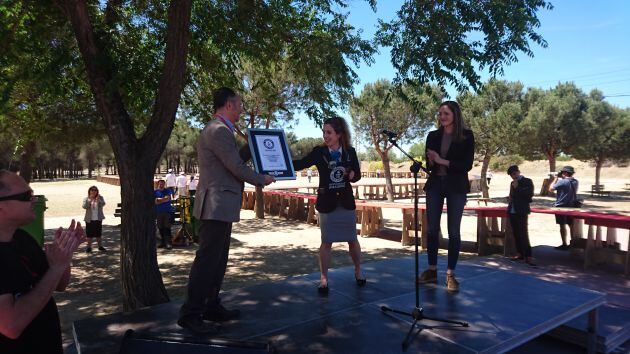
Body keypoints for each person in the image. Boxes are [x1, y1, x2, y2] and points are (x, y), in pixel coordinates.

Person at [178, 87, 275, 334]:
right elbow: (235, 167)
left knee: (218, 261)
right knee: (208, 260)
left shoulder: (220, 130)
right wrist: (260, 179)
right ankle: (190, 314)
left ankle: (211, 306)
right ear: (229, 105)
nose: (241, 108)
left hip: (220, 204)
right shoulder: (219, 130)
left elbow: (232, 161)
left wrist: (252, 147)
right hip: (216, 204)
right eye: (239, 104)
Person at [0, 170, 85, 354]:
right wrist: (56, 267)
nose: (35, 200)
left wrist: (64, 253)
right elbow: (11, 326)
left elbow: (59, 284)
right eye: (26, 196)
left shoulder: (23, 238)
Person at [293, 116, 364, 295]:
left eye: (329, 132)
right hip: (327, 204)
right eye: (324, 132)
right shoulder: (319, 152)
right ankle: (323, 278)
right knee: (326, 242)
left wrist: (353, 174)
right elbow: (300, 164)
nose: (325, 136)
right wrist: (280, 160)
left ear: (339, 134)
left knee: (352, 240)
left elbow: (357, 175)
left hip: (346, 202)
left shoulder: (350, 152)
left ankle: (358, 271)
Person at [417, 101, 475, 292]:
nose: (442, 116)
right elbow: (430, 165)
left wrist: (442, 160)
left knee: (454, 231)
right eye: (440, 113)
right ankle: (432, 269)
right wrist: (432, 160)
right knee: (432, 229)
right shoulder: (432, 136)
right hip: (435, 184)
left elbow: (466, 165)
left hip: (456, 186)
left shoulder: (466, 136)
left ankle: (450, 274)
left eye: (446, 113)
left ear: (455, 115)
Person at [506, 165, 535, 265]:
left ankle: (529, 255)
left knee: (523, 234)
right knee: (516, 233)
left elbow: (529, 196)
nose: (513, 176)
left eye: (514, 173)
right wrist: (509, 198)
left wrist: (517, 187)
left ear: (518, 172)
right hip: (512, 210)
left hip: (522, 211)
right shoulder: (512, 183)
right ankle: (520, 253)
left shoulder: (527, 181)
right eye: (511, 175)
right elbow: (513, 195)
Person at [548, 166, 579, 250]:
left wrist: (555, 179)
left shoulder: (563, 182)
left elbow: (550, 189)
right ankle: (573, 243)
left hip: (561, 206)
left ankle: (564, 244)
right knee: (571, 225)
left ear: (565, 173)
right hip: (572, 206)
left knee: (562, 225)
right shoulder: (575, 181)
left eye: (562, 173)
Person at [83, 186, 106, 253]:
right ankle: (89, 247)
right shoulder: (86, 198)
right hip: (89, 219)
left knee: (98, 233)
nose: (93, 191)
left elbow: (103, 204)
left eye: (95, 190)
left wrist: (99, 200)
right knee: (89, 234)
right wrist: (90, 200)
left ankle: (100, 246)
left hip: (98, 219)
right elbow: (84, 206)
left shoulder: (100, 197)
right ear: (89, 191)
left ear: (97, 191)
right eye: (92, 190)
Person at [154, 179, 173, 250]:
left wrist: (159, 200)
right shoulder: (155, 192)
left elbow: (167, 198)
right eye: (160, 184)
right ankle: (163, 242)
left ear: (164, 184)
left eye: (163, 184)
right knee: (160, 227)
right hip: (158, 212)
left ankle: (168, 243)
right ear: (158, 184)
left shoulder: (167, 191)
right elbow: (155, 202)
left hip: (167, 211)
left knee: (167, 227)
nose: (161, 185)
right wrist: (163, 199)